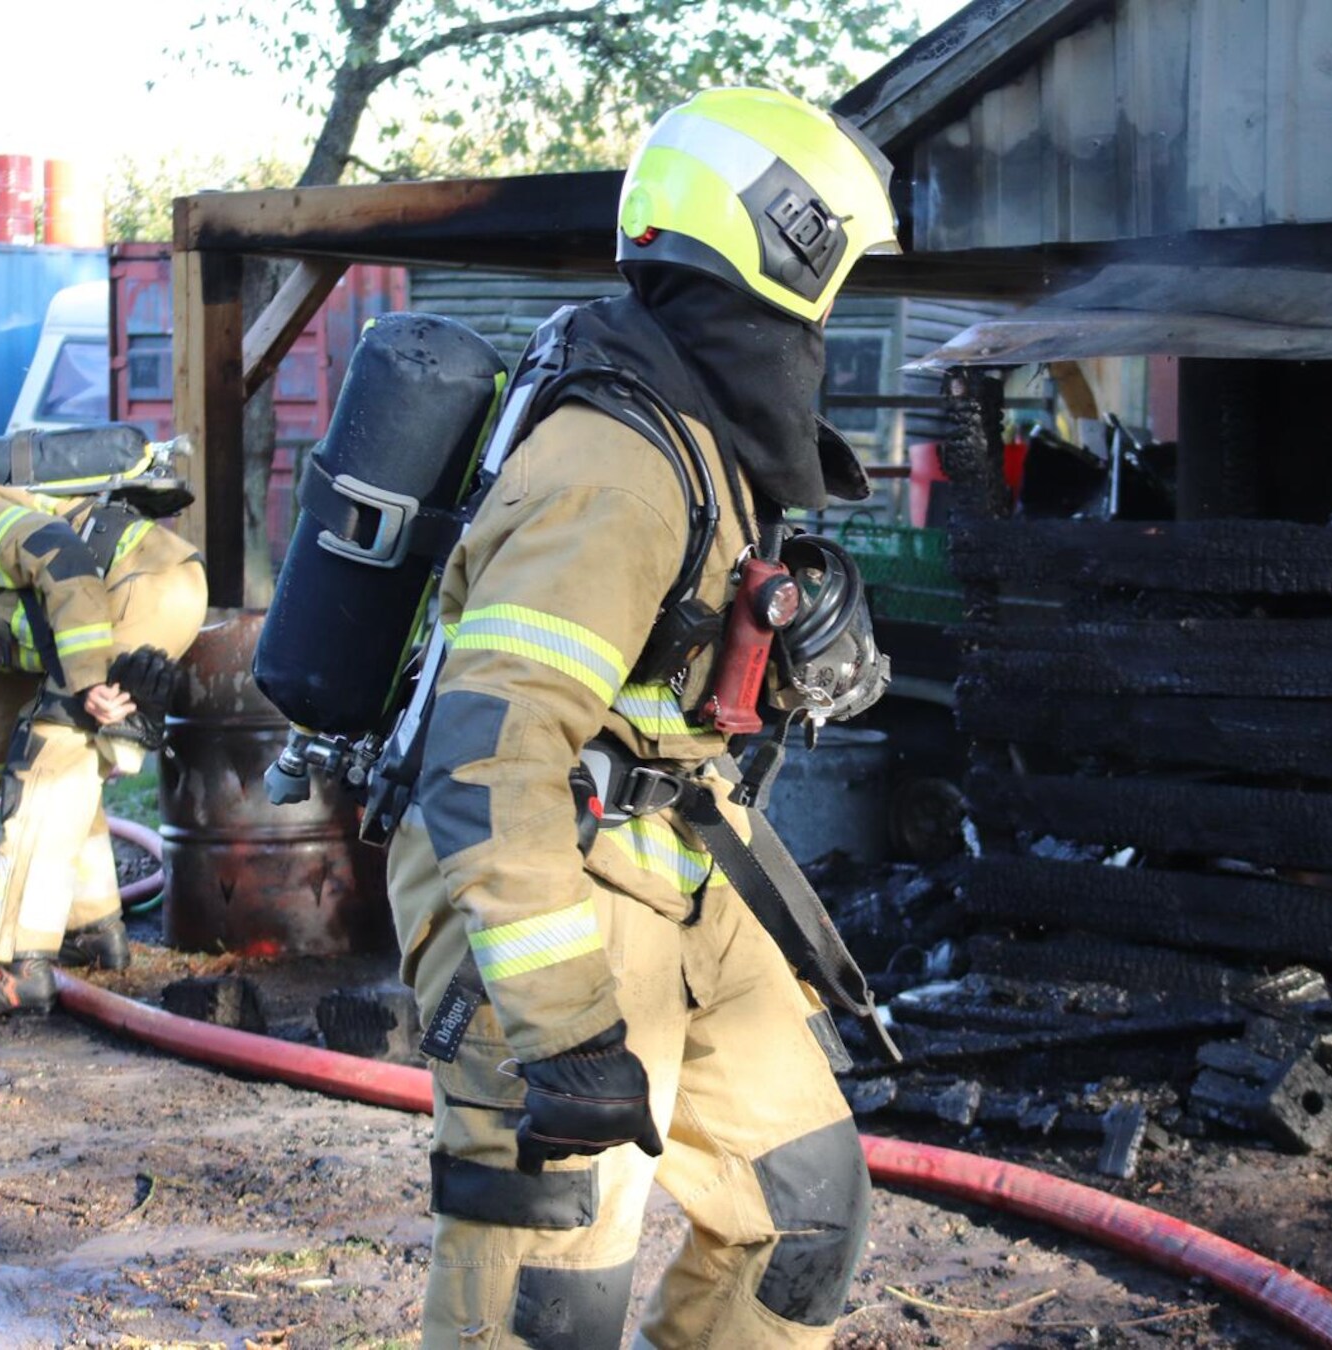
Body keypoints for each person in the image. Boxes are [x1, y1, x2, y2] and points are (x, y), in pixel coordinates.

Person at [386, 87, 900, 1347]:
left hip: (678, 870)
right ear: (786, 243)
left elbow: (655, 675)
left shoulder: (697, 431)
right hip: (545, 892)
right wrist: (566, 1033)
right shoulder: (615, 468)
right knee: (551, 1299)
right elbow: (489, 753)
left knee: (804, 1214)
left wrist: (788, 659)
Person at [0, 483, 205, 1013]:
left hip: (139, 588)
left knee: (45, 770)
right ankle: (90, 926)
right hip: (146, 587)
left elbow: (60, 552)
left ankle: (15, 966)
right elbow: (0, 696)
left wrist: (91, 677)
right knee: (72, 761)